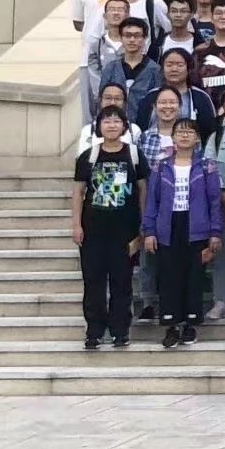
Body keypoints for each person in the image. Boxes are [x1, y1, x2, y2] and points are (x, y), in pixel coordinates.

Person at [143, 115, 224, 347]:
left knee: (194, 276)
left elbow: (214, 201)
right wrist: (149, 230)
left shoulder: (206, 166)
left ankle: (190, 324)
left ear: (197, 138)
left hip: (197, 227)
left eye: (190, 132)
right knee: (169, 276)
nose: (185, 135)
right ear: (173, 137)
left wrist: (215, 232)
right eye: (180, 131)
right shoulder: (161, 166)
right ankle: (171, 326)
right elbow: (152, 201)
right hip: (167, 226)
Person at [72, 106, 143, 350]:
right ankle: (94, 330)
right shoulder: (88, 156)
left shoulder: (134, 155)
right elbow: (78, 192)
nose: (112, 125)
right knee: (93, 281)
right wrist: (76, 224)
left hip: (125, 231)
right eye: (106, 121)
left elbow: (143, 190)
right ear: (99, 127)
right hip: (93, 230)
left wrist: (143, 226)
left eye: (116, 121)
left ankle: (120, 330)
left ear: (124, 126)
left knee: (122, 281)